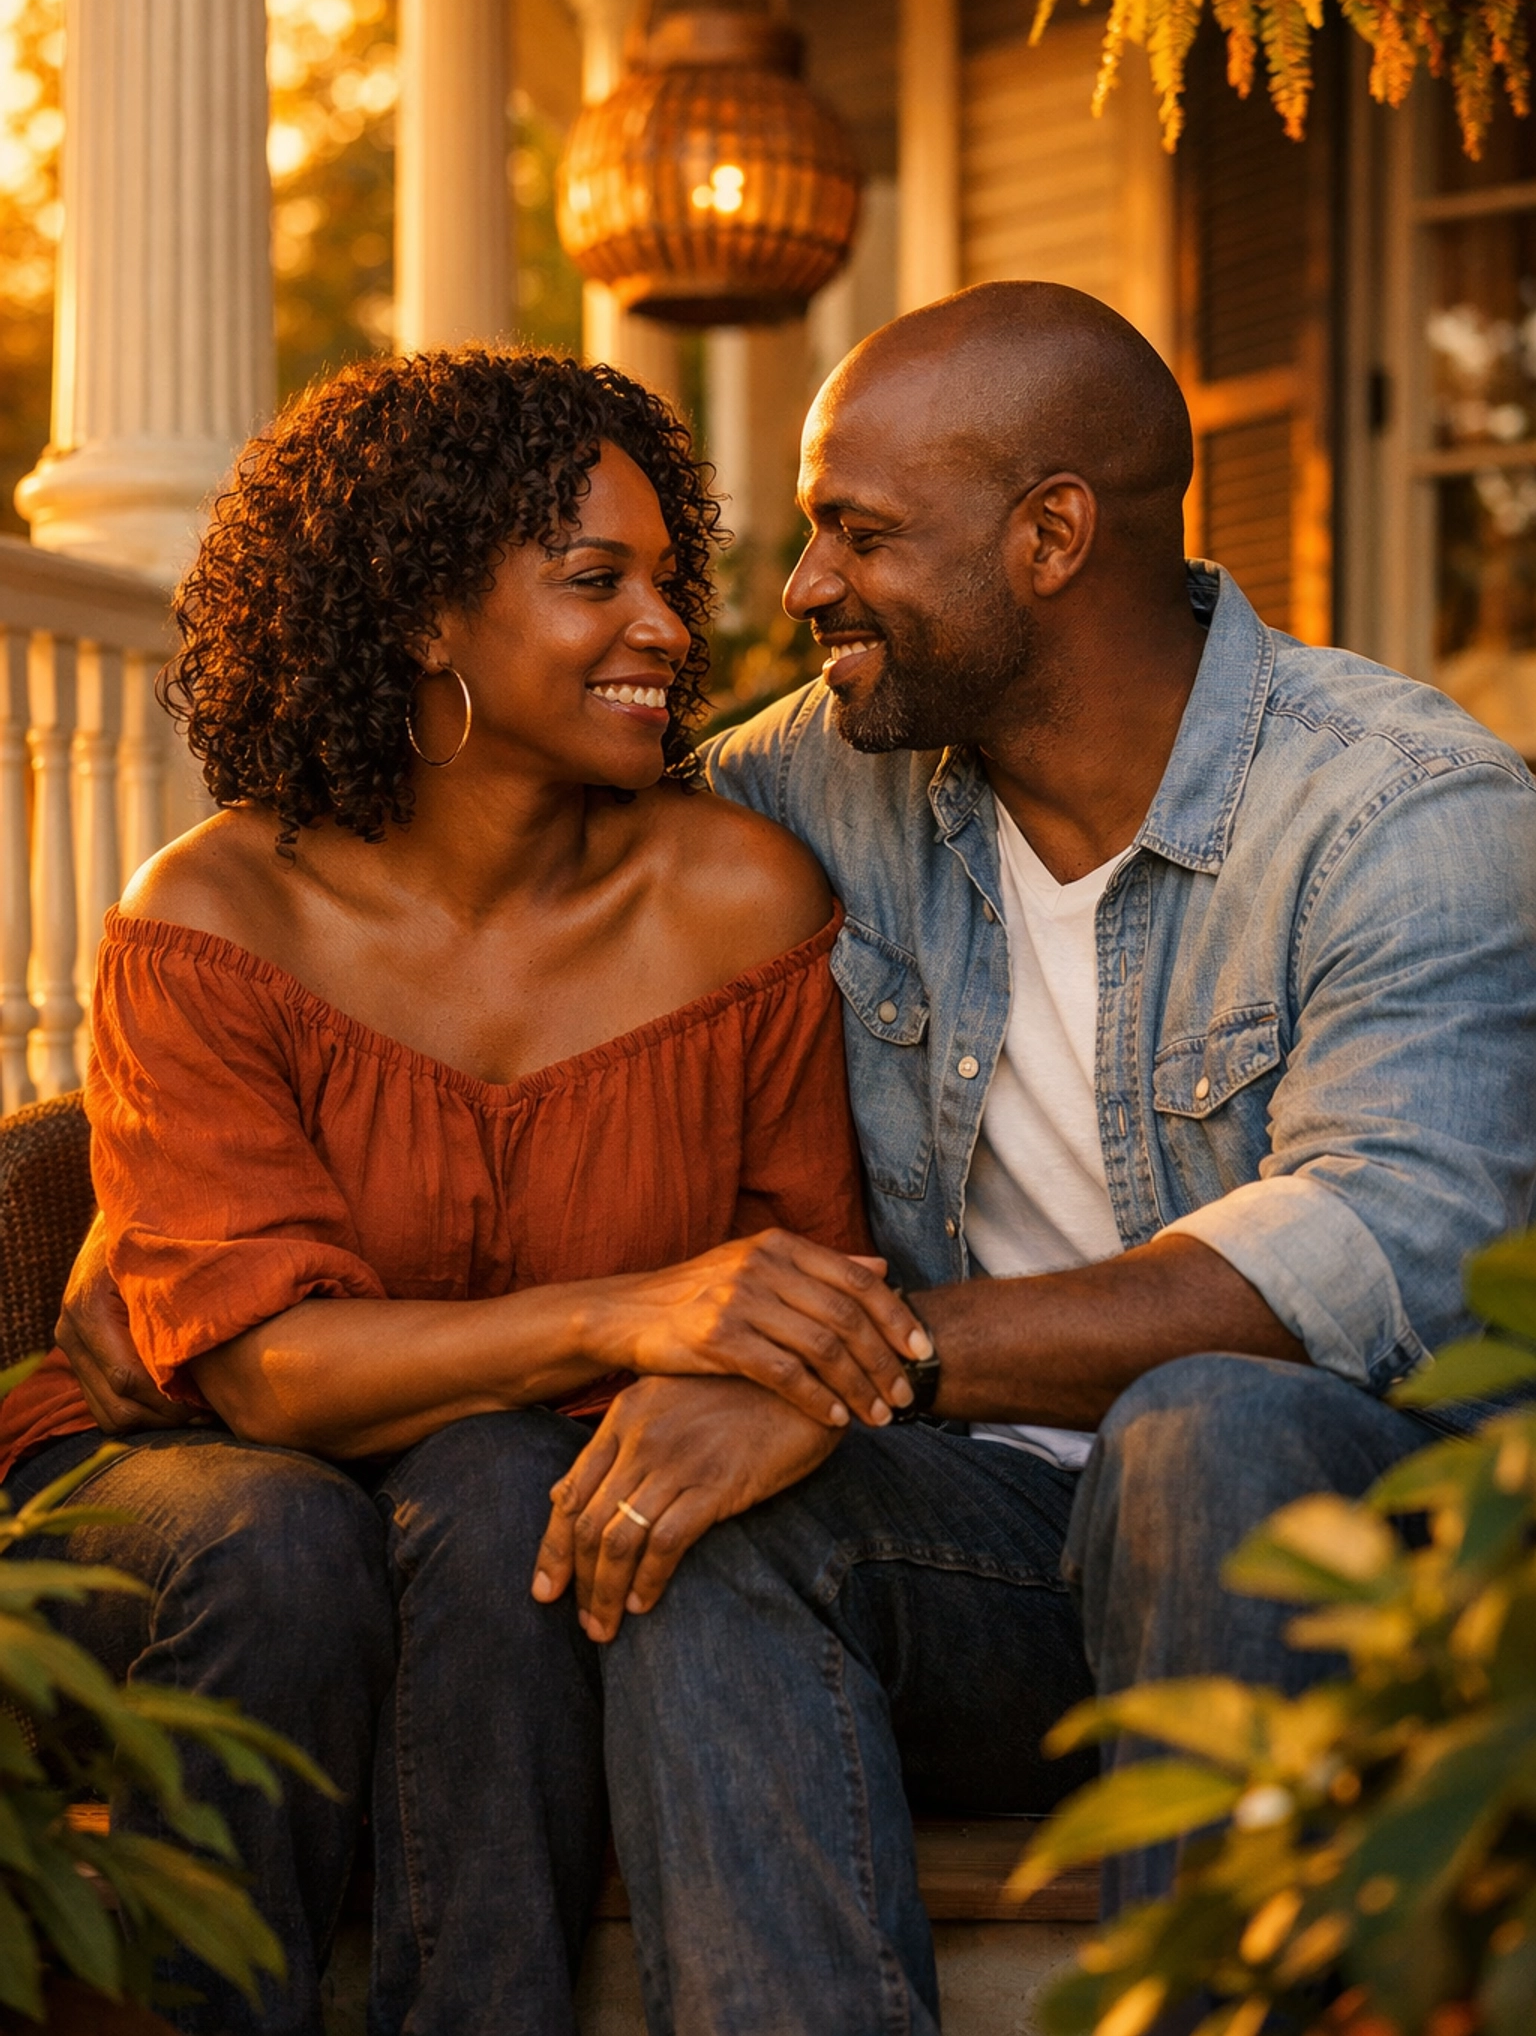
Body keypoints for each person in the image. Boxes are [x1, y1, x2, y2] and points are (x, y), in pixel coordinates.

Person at [65, 285, 1536, 2036]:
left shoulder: (1402, 814)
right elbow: (515, 855)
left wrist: (856, 1362)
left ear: (1052, 536)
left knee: (1202, 1423)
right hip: (995, 1529)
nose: (792, 591)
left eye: (861, 534)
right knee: (695, 1503)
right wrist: (150, 1219)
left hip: (1375, 1557)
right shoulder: (823, 780)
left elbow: (1380, 1250)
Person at [1, 346, 933, 2036]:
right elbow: (260, 1375)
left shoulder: (741, 899)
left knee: (509, 1487)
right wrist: (634, 1312)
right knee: (282, 1540)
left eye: (669, 581)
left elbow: (801, 1303)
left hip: (507, 1496)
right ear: (426, 616)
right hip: (173, 1481)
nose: (667, 628)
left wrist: (710, 1347)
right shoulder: (217, 915)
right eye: (596, 581)